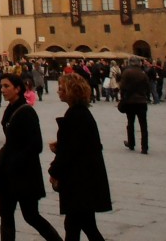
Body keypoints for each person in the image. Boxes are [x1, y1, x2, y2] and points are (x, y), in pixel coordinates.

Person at [0, 74, 62, 241]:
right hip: (8, 174)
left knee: (31, 216)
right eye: (1, 86)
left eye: (7, 86)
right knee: (6, 215)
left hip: (24, 174)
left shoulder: (26, 112)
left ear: (18, 89)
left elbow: (36, 145)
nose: (3, 90)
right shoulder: (10, 109)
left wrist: (15, 160)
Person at [48, 73, 111, 241]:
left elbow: (70, 152)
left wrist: (54, 170)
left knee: (82, 225)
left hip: (80, 182)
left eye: (61, 88)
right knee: (77, 225)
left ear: (71, 91)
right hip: (84, 180)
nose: (58, 91)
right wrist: (60, 145)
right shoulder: (79, 113)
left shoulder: (75, 115)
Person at [117, 56, 150, 154]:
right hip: (141, 101)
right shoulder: (143, 73)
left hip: (130, 101)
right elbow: (148, 87)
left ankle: (131, 143)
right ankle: (144, 147)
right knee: (143, 125)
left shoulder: (127, 72)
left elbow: (122, 86)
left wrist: (123, 97)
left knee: (130, 123)